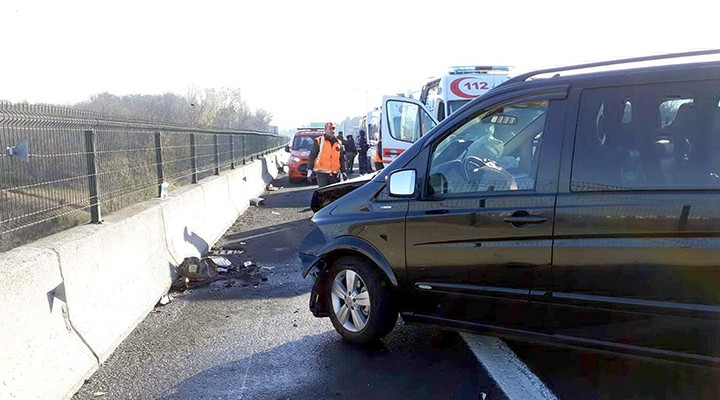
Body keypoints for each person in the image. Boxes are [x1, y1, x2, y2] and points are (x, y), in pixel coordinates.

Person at [307, 122, 345, 187]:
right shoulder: (319, 141)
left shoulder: (339, 143)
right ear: (325, 130)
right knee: (324, 194)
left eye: (333, 128)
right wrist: (310, 169)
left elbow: (341, 158)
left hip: (335, 174)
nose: (332, 131)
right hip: (322, 174)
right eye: (330, 129)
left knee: (334, 194)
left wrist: (343, 171)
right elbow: (312, 156)